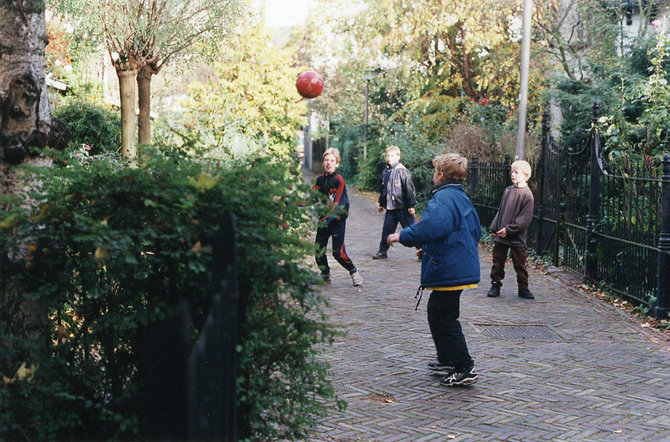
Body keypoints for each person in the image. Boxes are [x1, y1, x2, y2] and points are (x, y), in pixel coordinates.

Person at [387, 153, 481, 387]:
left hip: (451, 270)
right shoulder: (460, 197)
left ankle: (463, 367)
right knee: (439, 313)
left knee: (445, 318)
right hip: (457, 266)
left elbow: (430, 228)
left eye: (434, 171)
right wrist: (430, 249)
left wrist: (402, 236)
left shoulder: (443, 199)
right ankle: (447, 360)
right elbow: (471, 231)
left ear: (440, 175)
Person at [313, 148, 363, 286]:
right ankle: (325, 273)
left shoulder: (339, 180)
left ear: (337, 164)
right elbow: (312, 198)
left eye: (332, 161)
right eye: (326, 160)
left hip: (337, 220)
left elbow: (338, 203)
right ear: (323, 163)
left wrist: (327, 219)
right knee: (318, 251)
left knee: (338, 253)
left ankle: (353, 270)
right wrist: (293, 203)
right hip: (324, 219)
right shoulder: (319, 180)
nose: (329, 163)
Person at [486, 160, 535, 300]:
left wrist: (509, 230)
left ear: (525, 176)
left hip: (516, 236)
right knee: (497, 261)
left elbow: (524, 219)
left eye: (516, 172)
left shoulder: (527, 195)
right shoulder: (508, 190)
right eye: (512, 172)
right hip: (501, 234)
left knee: (520, 263)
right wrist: (495, 227)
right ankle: (495, 284)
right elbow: (501, 211)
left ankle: (523, 288)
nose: (513, 174)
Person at [372, 145, 417, 260]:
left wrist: (411, 205)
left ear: (398, 156)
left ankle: (423, 249)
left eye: (392, 156)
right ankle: (382, 250)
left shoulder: (402, 171)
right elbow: (383, 190)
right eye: (387, 155)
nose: (389, 158)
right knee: (387, 229)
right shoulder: (385, 172)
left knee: (411, 228)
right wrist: (381, 204)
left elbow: (409, 189)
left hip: (403, 207)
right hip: (391, 208)